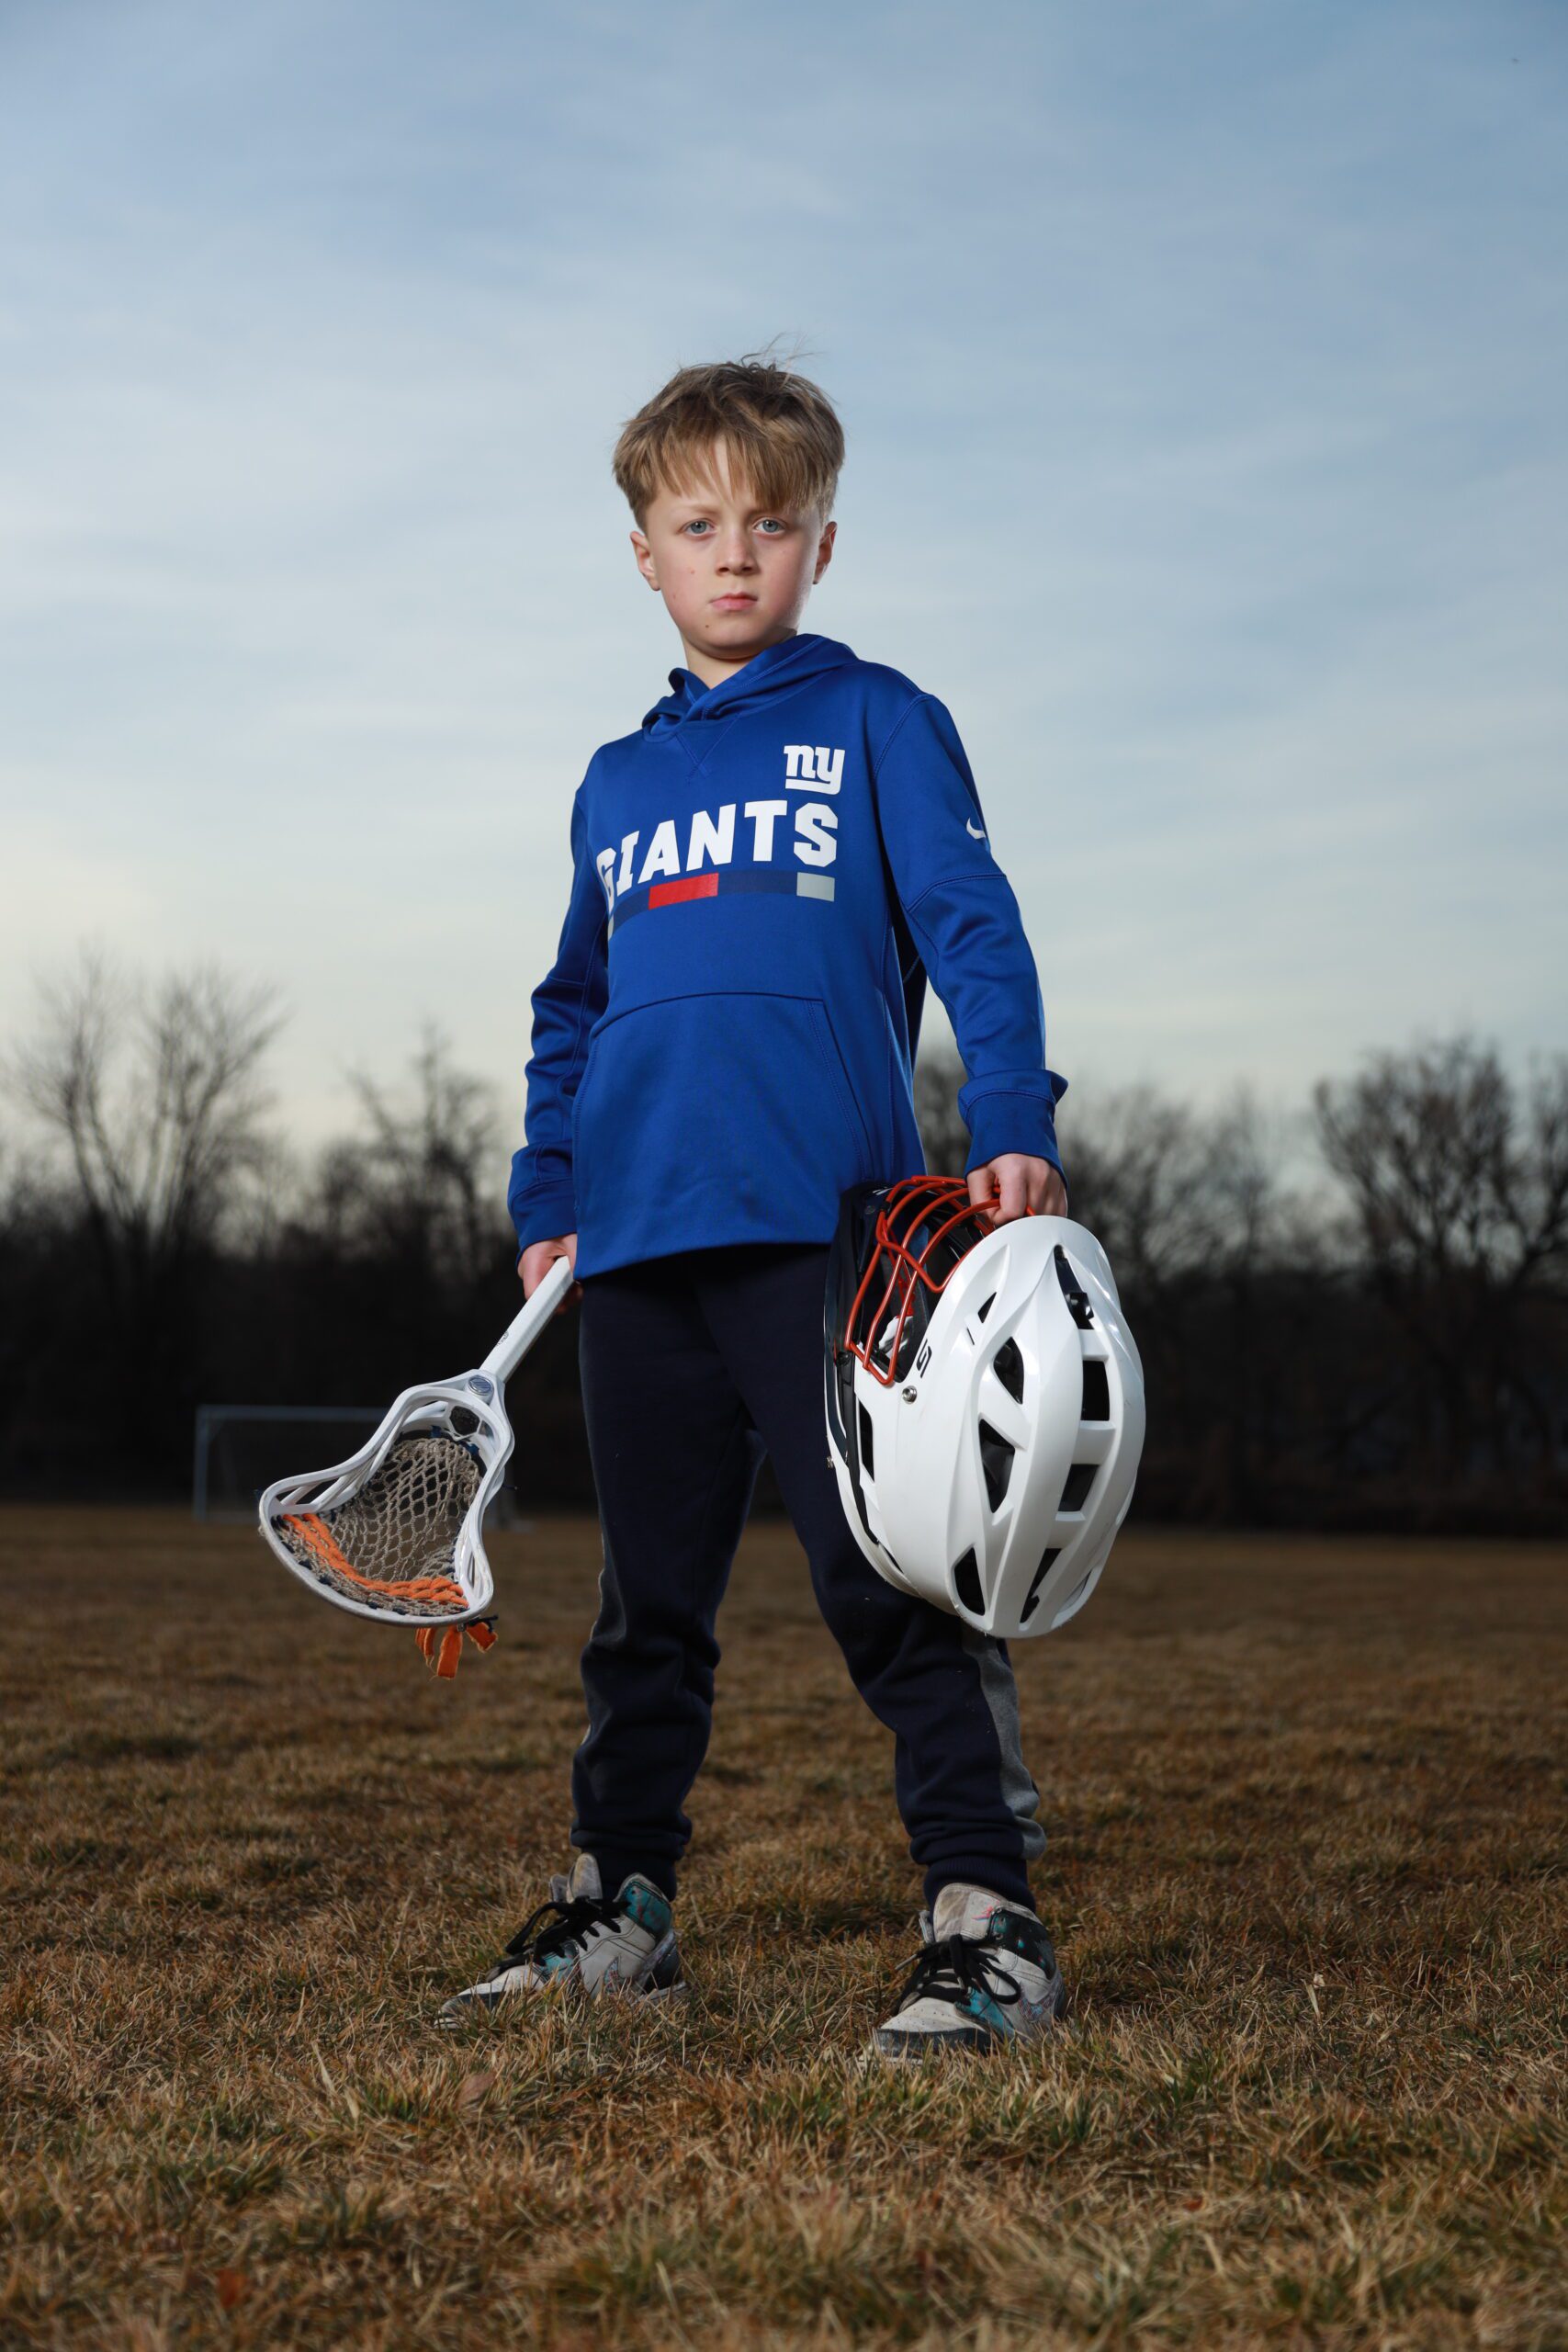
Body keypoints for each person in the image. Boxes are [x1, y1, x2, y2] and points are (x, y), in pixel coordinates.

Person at [440, 356, 1071, 2056]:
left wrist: (1008, 1109)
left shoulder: (880, 719)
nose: (738, 555)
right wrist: (551, 1182)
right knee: (647, 1608)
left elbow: (974, 927)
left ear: (823, 544)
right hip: (637, 1249)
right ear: (644, 552)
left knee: (894, 1583)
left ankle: (985, 1920)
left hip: (831, 1231)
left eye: (772, 526)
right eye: (697, 525)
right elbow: (570, 1002)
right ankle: (619, 1906)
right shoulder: (614, 780)